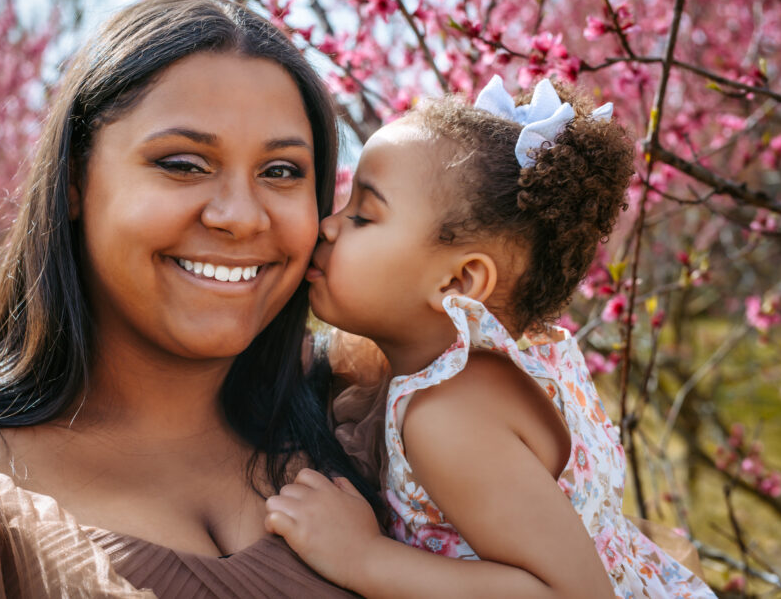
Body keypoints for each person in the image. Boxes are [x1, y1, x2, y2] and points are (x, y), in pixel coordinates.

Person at [0, 0, 380, 597]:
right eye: (184, 163)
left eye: (281, 172)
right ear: (72, 181)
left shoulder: (378, 424)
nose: (241, 217)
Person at [264, 76, 717, 598]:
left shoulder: (450, 415)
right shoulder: (478, 375)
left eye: (363, 215)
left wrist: (362, 557)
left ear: (458, 282)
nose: (328, 226)